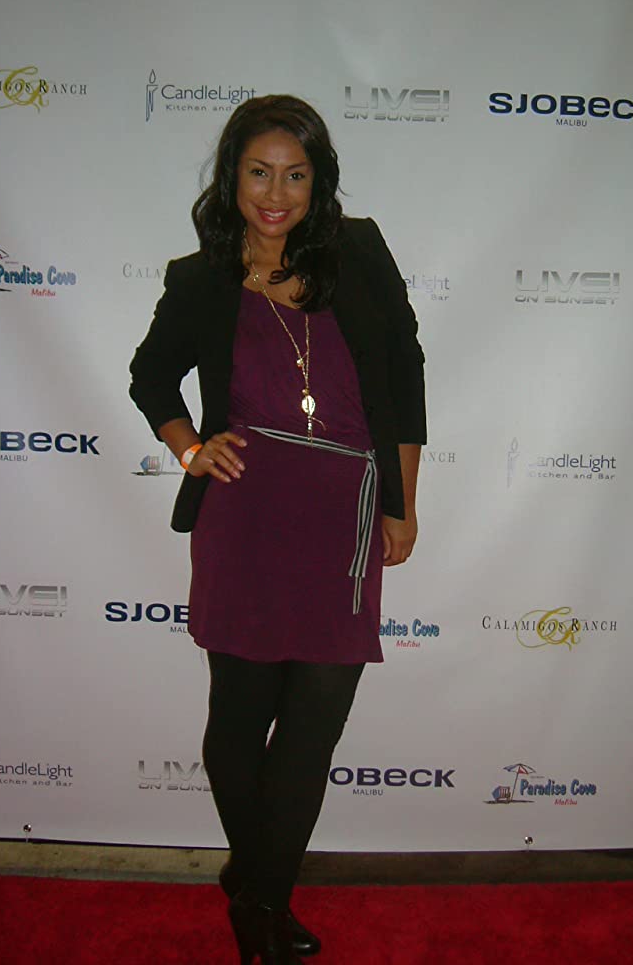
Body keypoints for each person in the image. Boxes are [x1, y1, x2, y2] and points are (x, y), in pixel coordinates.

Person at [129, 94, 426, 965]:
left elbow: (405, 373)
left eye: (296, 175)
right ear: (232, 176)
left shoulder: (359, 251)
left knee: (314, 725)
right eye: (259, 172)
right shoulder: (200, 278)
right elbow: (151, 376)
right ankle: (265, 902)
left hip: (344, 520)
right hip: (246, 516)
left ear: (318, 182)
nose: (276, 193)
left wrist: (402, 503)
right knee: (240, 716)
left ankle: (254, 886)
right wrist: (191, 449)